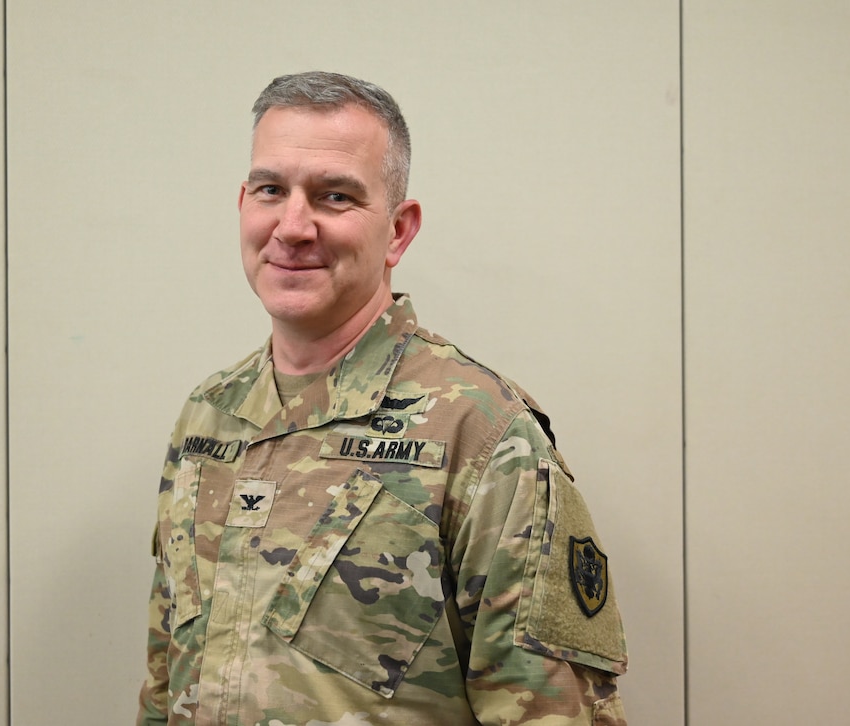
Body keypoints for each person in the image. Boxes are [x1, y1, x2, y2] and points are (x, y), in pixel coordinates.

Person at [137, 71, 628, 725]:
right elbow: (166, 680)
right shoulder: (209, 415)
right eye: (270, 190)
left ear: (398, 230)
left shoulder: (480, 434)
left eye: (334, 196)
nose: (292, 226)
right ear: (243, 203)